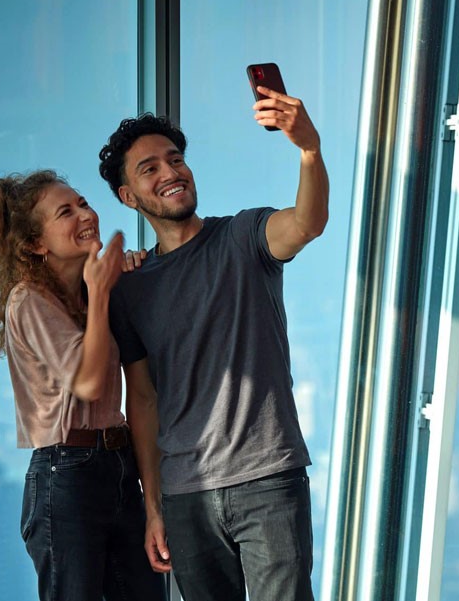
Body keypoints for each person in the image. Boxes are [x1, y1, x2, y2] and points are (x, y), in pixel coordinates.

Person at [98, 84, 328, 601]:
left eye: (175, 159)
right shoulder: (131, 288)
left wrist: (308, 150)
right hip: (185, 498)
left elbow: (307, 223)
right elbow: (143, 400)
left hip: (268, 479)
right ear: (127, 197)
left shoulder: (244, 237)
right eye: (149, 168)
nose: (170, 172)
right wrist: (153, 506)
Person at [0, 170, 167, 601]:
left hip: (119, 466)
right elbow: (88, 380)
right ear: (35, 244)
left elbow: (140, 387)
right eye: (66, 211)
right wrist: (101, 293)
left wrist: (118, 281)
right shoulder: (28, 300)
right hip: (66, 474)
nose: (86, 215)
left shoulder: (91, 294)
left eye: (83, 203)